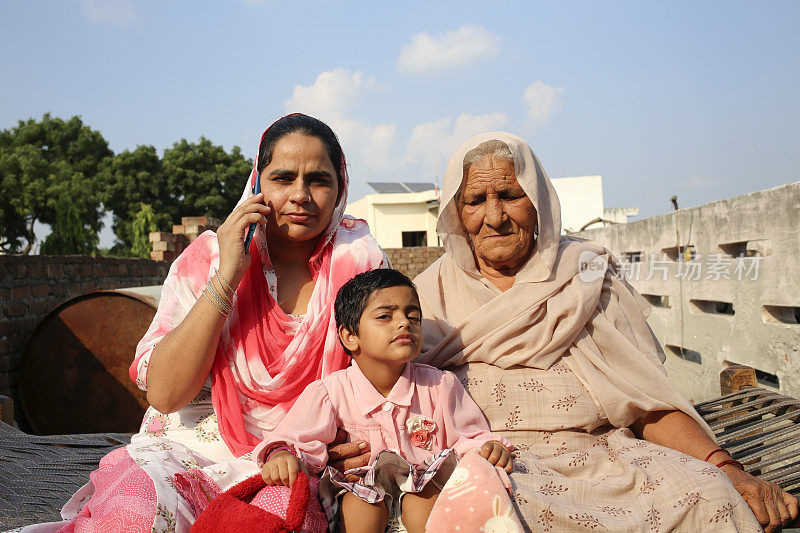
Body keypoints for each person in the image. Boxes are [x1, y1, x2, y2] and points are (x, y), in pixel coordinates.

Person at [408, 132, 799, 531]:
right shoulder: (424, 298)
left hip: (608, 461)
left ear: (539, 200)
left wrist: (727, 469)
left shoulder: (587, 274)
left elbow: (647, 399)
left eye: (510, 195)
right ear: (457, 213)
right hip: (495, 467)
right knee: (492, 514)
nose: (494, 217)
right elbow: (389, 398)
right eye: (475, 201)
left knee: (712, 493)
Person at [22, 114, 387, 533]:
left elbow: (383, 379)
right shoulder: (210, 258)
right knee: (134, 512)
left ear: (340, 188)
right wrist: (228, 275)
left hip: (302, 458)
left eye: (319, 180)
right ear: (257, 183)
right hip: (189, 447)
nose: (300, 195)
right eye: (283, 177)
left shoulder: (361, 265)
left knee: (273, 520)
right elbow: (167, 393)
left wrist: (347, 443)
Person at [255, 268, 514, 533]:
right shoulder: (330, 392)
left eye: (413, 316)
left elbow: (468, 437)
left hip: (425, 491)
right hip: (358, 494)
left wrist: (488, 447)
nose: (404, 322)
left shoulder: (440, 386)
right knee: (362, 505)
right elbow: (295, 439)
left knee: (422, 502)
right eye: (385, 316)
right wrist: (282, 454)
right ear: (350, 336)